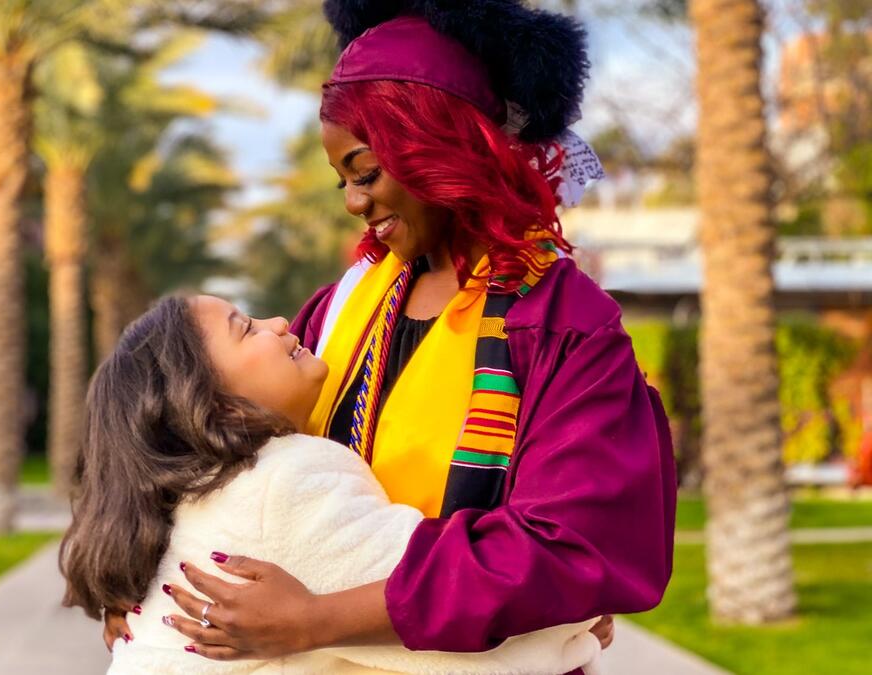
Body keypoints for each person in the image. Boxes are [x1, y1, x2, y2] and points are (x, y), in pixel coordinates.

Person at [146, 1, 677, 668]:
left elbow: (574, 547)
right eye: (342, 180)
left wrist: (318, 619)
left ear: (439, 147)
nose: (353, 202)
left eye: (366, 173)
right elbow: (211, 446)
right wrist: (139, 586)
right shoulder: (340, 307)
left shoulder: (561, 322)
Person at [61, 295, 602, 674]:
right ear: (214, 403)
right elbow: (449, 624)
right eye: (246, 328)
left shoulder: (193, 498)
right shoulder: (283, 485)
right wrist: (574, 623)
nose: (278, 322)